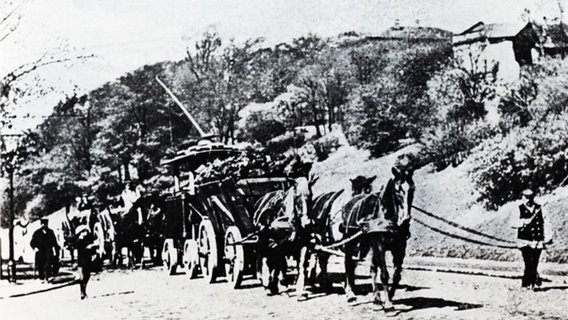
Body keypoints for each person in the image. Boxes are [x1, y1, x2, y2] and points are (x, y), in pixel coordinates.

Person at [510, 189, 553, 290]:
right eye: (526, 197)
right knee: (528, 262)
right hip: (525, 241)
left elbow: (546, 223)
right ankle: (526, 283)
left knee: (535, 262)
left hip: (537, 241)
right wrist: (523, 222)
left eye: (530, 197)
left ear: (533, 197)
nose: (528, 200)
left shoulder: (540, 208)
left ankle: (532, 282)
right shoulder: (518, 209)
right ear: (522, 197)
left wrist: (548, 236)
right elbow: (512, 223)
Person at [30, 218, 60, 282]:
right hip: (40, 251)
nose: (44, 225)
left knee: (48, 263)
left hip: (48, 250)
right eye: (42, 224)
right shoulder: (37, 232)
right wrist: (35, 248)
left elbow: (54, 242)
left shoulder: (50, 232)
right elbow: (32, 242)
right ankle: (41, 277)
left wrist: (56, 248)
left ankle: (48, 277)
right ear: (41, 224)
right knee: (40, 264)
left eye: (45, 224)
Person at [74, 224, 97, 299]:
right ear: (81, 232)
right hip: (81, 261)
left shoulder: (86, 240)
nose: (86, 232)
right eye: (84, 231)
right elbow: (82, 249)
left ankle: (84, 291)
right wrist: (89, 247)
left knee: (87, 275)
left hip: (87, 260)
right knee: (82, 276)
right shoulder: (78, 241)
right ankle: (82, 292)